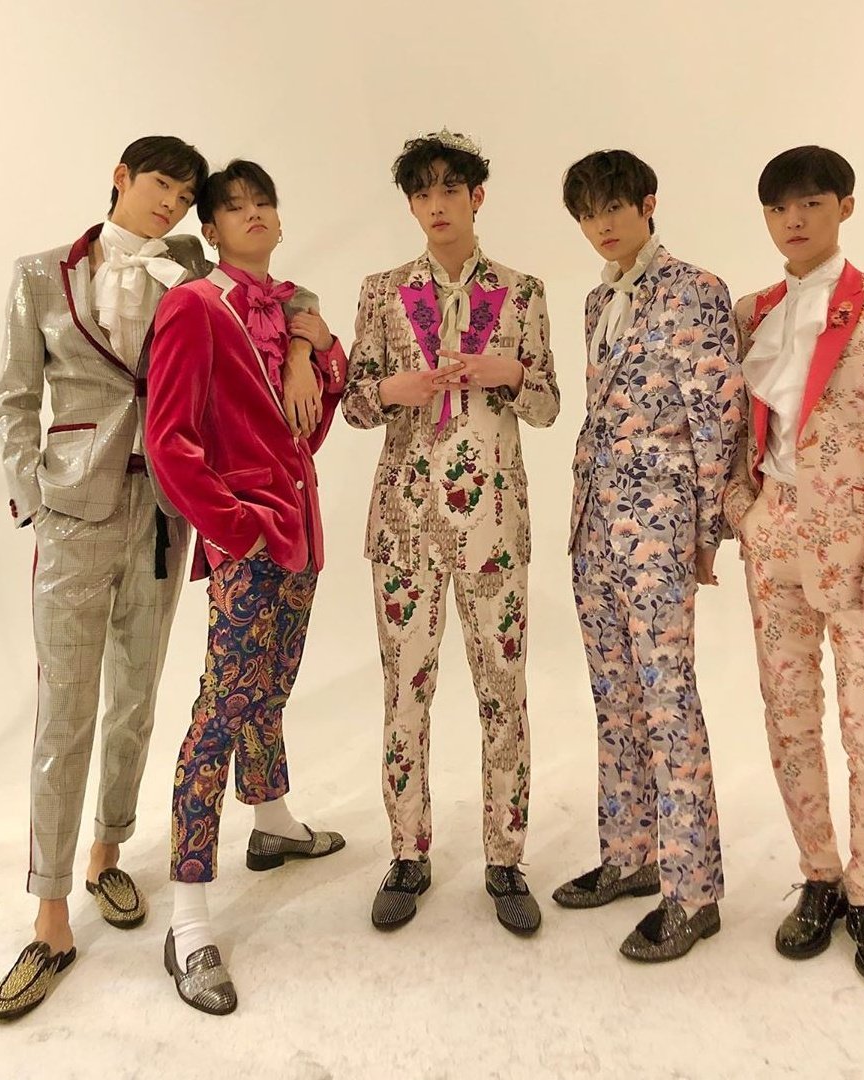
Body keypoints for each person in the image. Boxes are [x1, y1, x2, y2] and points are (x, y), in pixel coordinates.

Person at [0, 136, 211, 1021]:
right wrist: (35, 503)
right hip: (73, 514)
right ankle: (49, 917)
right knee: (64, 712)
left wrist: (308, 341)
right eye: (160, 184)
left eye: (184, 196)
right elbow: (13, 400)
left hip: (163, 513)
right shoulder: (39, 274)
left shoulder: (188, 272)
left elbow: (266, 295)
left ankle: (108, 853)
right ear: (121, 178)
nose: (171, 204)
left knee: (136, 699)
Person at [723, 145, 864, 987]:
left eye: (811, 203)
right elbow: (732, 427)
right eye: (780, 208)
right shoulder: (753, 311)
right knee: (788, 719)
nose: (794, 220)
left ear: (845, 207)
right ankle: (818, 876)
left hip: (862, 553)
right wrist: (742, 512)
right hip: (773, 542)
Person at [343, 130, 559, 937]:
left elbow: (548, 405)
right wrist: (391, 390)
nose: (436, 205)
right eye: (422, 193)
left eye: (449, 190)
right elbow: (353, 404)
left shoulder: (524, 292)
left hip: (493, 523)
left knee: (504, 690)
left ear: (477, 196)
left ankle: (506, 858)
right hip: (404, 525)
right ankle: (408, 852)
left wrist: (513, 374)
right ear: (411, 204)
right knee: (405, 691)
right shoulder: (381, 292)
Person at [145, 159, 348, 1014]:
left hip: (301, 531)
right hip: (249, 541)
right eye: (235, 207)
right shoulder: (195, 306)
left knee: (271, 688)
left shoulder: (290, 307)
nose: (254, 214)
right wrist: (237, 528)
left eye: (264, 202)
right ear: (211, 228)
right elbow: (168, 440)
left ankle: (271, 824)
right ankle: (188, 916)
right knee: (219, 712)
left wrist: (309, 348)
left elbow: (314, 419)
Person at [553, 149, 743, 962]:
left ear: (647, 204)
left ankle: (694, 892)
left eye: (613, 207)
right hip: (594, 524)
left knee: (668, 701)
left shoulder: (696, 289)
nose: (601, 224)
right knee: (614, 696)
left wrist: (705, 533)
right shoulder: (598, 299)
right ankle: (630, 855)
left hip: (661, 525)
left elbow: (717, 418)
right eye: (588, 213)